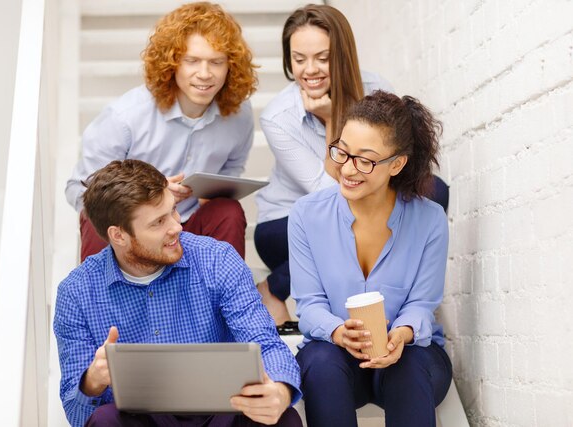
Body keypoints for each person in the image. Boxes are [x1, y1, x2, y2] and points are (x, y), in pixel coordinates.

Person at [54, 159, 303, 427]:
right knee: (104, 421)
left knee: (283, 419)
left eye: (173, 211)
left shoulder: (216, 259)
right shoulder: (76, 293)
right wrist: (93, 379)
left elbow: (265, 343)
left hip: (223, 410)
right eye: (158, 222)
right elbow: (77, 414)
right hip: (143, 419)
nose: (176, 227)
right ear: (119, 235)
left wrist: (279, 391)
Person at [289, 91, 453, 427]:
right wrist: (338, 332)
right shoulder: (306, 215)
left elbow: (422, 304)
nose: (347, 169)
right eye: (343, 152)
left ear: (396, 164)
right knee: (319, 361)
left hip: (410, 357)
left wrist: (402, 334)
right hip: (337, 364)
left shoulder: (430, 219)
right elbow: (309, 306)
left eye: (365, 159)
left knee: (409, 366)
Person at [66, 2, 257, 262]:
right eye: (192, 61)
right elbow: (80, 189)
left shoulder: (239, 115)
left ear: (230, 66)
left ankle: (228, 300)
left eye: (216, 62)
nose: (205, 74)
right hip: (134, 230)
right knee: (96, 214)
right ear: (172, 63)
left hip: (187, 227)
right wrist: (149, 196)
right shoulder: (126, 116)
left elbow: (231, 171)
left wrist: (210, 192)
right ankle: (99, 301)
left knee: (228, 210)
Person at [253, 4, 394, 328]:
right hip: (287, 224)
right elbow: (329, 194)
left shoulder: (377, 92)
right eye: (299, 59)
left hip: (362, 215)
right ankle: (275, 289)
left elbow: (398, 165)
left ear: (342, 54)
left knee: (431, 193)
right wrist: (333, 120)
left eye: (322, 57)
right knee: (345, 221)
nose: (309, 70)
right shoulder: (278, 117)